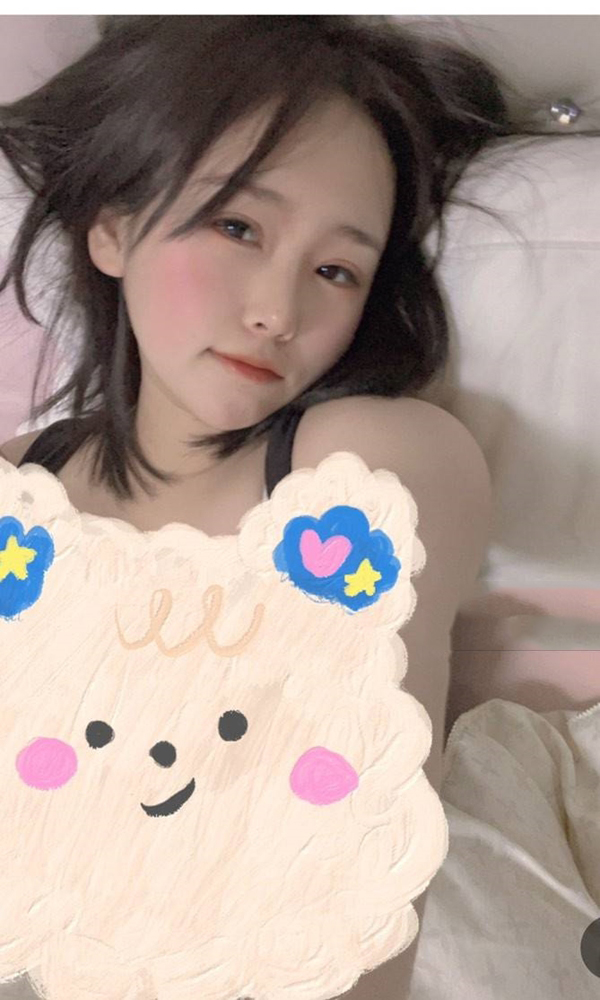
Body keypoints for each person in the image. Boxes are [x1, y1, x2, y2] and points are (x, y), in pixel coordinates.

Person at [0, 15, 594, 999]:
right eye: (238, 227)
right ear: (113, 227)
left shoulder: (369, 470)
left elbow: (345, 880)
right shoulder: (19, 494)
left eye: (336, 270)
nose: (279, 310)